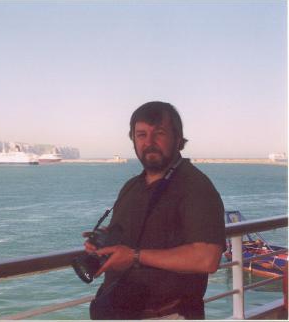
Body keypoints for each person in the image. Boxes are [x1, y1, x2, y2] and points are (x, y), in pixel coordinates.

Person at [84, 101, 226, 319]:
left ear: (178, 139)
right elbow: (135, 236)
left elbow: (207, 258)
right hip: (119, 310)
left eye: (158, 133)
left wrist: (135, 257)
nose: (149, 142)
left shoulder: (196, 187)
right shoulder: (132, 187)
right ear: (133, 140)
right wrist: (104, 241)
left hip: (170, 314)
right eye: (141, 135)